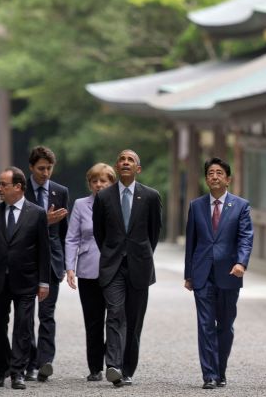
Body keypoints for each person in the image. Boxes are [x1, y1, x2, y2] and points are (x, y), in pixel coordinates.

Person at [0, 166, 51, 390]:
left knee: (23, 327)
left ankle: (18, 372)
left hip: (26, 280)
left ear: (18, 187)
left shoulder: (37, 213)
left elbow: (44, 250)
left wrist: (44, 281)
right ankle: (2, 367)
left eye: (3, 184)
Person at [93, 149, 162, 387]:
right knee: (114, 313)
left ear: (138, 169)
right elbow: (98, 232)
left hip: (139, 266)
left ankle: (127, 369)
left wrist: (139, 253)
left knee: (133, 321)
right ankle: (113, 365)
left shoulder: (151, 196)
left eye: (130, 160)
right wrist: (113, 251)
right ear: (116, 165)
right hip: (112, 266)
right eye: (121, 159)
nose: (125, 162)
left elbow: (154, 233)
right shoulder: (103, 197)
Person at [184, 157, 253, 389]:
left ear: (228, 179)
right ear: (206, 179)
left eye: (219, 173)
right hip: (202, 273)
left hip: (230, 272)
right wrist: (188, 274)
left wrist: (242, 263)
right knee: (205, 325)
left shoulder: (241, 206)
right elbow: (191, 242)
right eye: (210, 173)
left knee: (225, 325)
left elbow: (245, 238)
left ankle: (220, 369)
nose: (214, 176)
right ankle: (210, 375)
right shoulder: (196, 206)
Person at [65, 163, 116, 382]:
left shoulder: (118, 203)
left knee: (114, 318)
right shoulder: (80, 205)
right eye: (94, 181)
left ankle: (114, 361)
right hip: (88, 269)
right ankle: (95, 367)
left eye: (103, 181)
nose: (98, 185)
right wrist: (70, 267)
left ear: (111, 183)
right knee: (93, 320)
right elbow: (72, 237)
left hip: (114, 269)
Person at [23, 146, 69, 382]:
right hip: (27, 259)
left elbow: (64, 233)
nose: (45, 173)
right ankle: (29, 362)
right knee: (26, 314)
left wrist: (64, 264)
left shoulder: (60, 192)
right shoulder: (21, 190)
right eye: (41, 168)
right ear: (31, 167)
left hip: (52, 261)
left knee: (47, 314)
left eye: (49, 168)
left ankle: (45, 362)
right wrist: (43, 220)